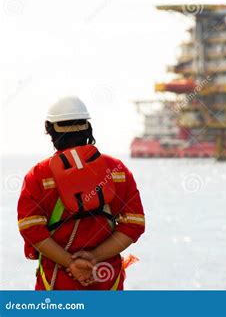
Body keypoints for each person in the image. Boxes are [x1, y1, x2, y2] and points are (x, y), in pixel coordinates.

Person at [17, 96, 145, 290]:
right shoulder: (117, 170)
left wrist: (70, 263)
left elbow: (31, 229)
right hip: (105, 276)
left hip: (56, 281)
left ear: (49, 130)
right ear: (88, 128)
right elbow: (134, 224)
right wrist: (95, 257)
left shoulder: (38, 175)